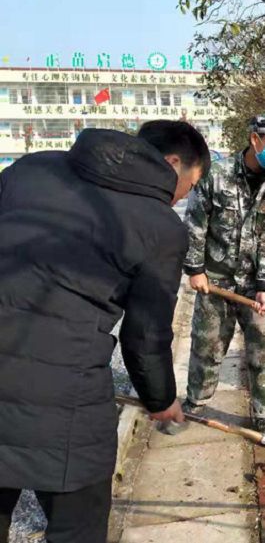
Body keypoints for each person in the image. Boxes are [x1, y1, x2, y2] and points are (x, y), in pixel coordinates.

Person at [0, 121, 210, 543]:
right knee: (77, 527)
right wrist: (162, 401)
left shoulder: (29, 170)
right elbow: (145, 337)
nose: (185, 195)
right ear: (172, 164)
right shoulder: (160, 227)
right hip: (64, 404)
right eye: (191, 183)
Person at [178, 114, 265, 437]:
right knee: (207, 344)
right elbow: (196, 223)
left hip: (255, 284)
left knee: (263, 348)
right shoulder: (215, 175)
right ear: (255, 139)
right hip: (215, 281)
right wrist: (195, 270)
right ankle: (196, 404)